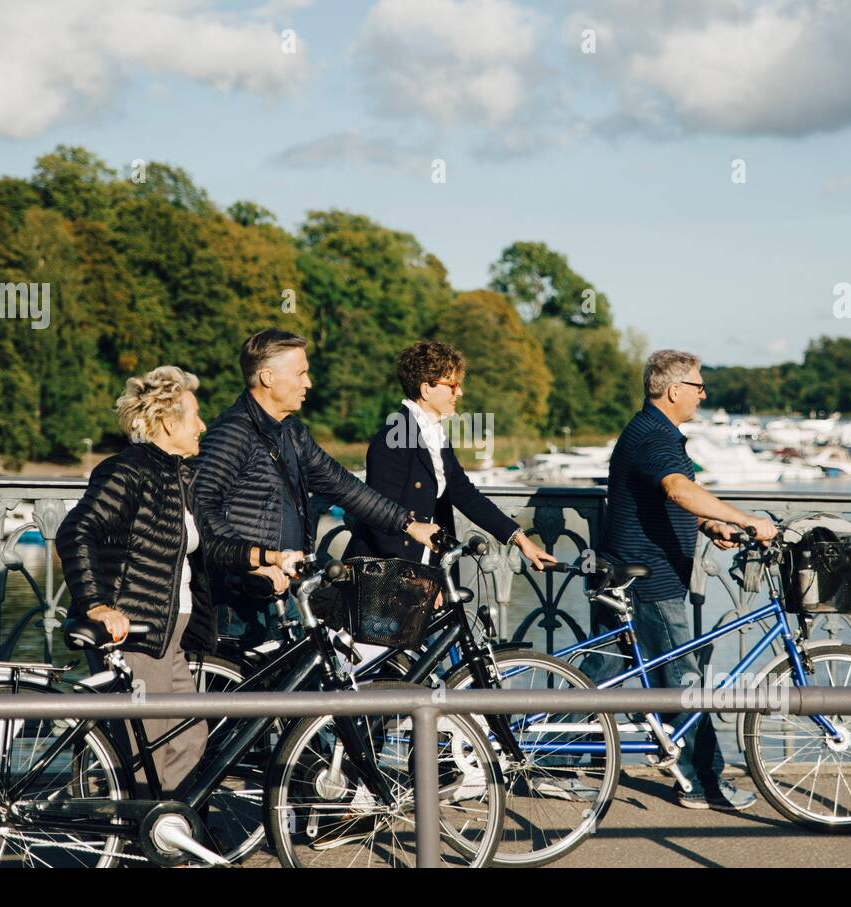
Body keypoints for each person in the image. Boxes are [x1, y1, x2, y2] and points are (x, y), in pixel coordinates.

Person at [57, 365, 300, 796]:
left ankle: (168, 835)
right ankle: (144, 845)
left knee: (188, 738)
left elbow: (213, 543)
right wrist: (97, 606)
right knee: (147, 752)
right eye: (195, 416)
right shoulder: (127, 471)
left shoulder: (180, 476)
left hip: (171, 637)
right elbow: (76, 532)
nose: (203, 425)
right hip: (134, 632)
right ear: (169, 422)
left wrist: (265, 558)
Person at [585, 349, 778, 811]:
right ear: (674, 390)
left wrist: (709, 524)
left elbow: (662, 499)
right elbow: (677, 488)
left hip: (625, 574)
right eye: (698, 386)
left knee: (598, 676)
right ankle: (703, 784)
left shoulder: (649, 430)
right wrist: (748, 519)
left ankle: (534, 753)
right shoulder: (656, 436)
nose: (703, 394)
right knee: (685, 683)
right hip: (650, 583)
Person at [194, 330, 441, 642]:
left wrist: (408, 524)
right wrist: (252, 561)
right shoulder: (232, 433)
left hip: (281, 588)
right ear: (268, 377)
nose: (308, 383)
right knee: (262, 688)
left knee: (311, 677)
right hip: (241, 594)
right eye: (300, 373)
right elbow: (200, 506)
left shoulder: (291, 431)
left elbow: (343, 486)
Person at [345, 340, 555, 570]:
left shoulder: (437, 437)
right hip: (391, 576)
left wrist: (520, 540)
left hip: (432, 566)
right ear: (426, 389)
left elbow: (466, 495)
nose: (460, 392)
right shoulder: (393, 438)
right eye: (453, 386)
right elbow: (380, 516)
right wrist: (415, 580)